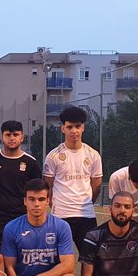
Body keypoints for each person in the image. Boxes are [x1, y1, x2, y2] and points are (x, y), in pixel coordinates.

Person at [43, 106, 103, 251]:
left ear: (83, 128)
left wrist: (87, 203)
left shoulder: (93, 155)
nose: (74, 131)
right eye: (70, 127)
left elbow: (96, 186)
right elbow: (47, 187)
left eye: (78, 126)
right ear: (63, 128)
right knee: (56, 258)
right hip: (60, 215)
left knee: (91, 259)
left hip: (86, 215)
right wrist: (56, 205)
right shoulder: (53, 156)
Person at [0, 120, 40, 237]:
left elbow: (36, 192)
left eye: (16, 135)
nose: (12, 138)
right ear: (2, 137)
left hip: (22, 217)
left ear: (22, 137)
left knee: (21, 254)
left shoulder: (31, 162)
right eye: (8, 135)